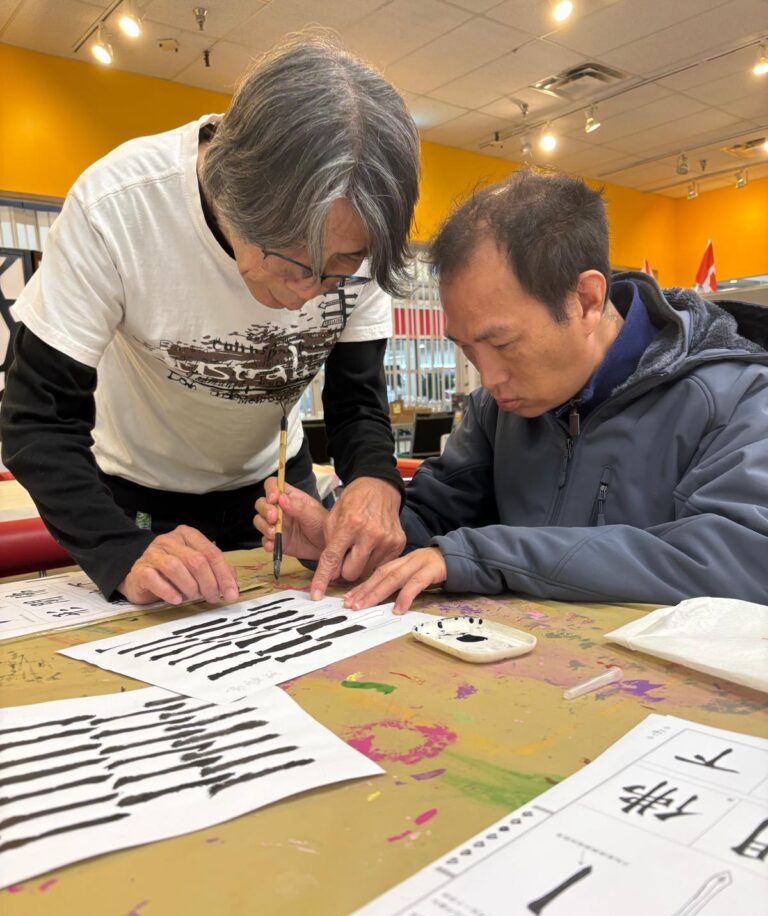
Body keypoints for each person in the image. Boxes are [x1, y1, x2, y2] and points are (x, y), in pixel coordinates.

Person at [1, 35, 419, 606]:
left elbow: (357, 400)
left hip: (277, 487)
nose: (307, 297)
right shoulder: (119, 207)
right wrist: (118, 550)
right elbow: (36, 420)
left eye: (339, 270)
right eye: (295, 263)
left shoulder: (358, 233)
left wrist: (374, 479)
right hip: (134, 494)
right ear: (233, 196)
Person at [256, 169, 768, 609]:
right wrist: (348, 539)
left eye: (502, 343)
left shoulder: (738, 395)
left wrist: (485, 557)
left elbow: (739, 557)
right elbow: (432, 519)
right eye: (468, 350)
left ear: (587, 300)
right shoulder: (497, 410)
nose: (487, 378)